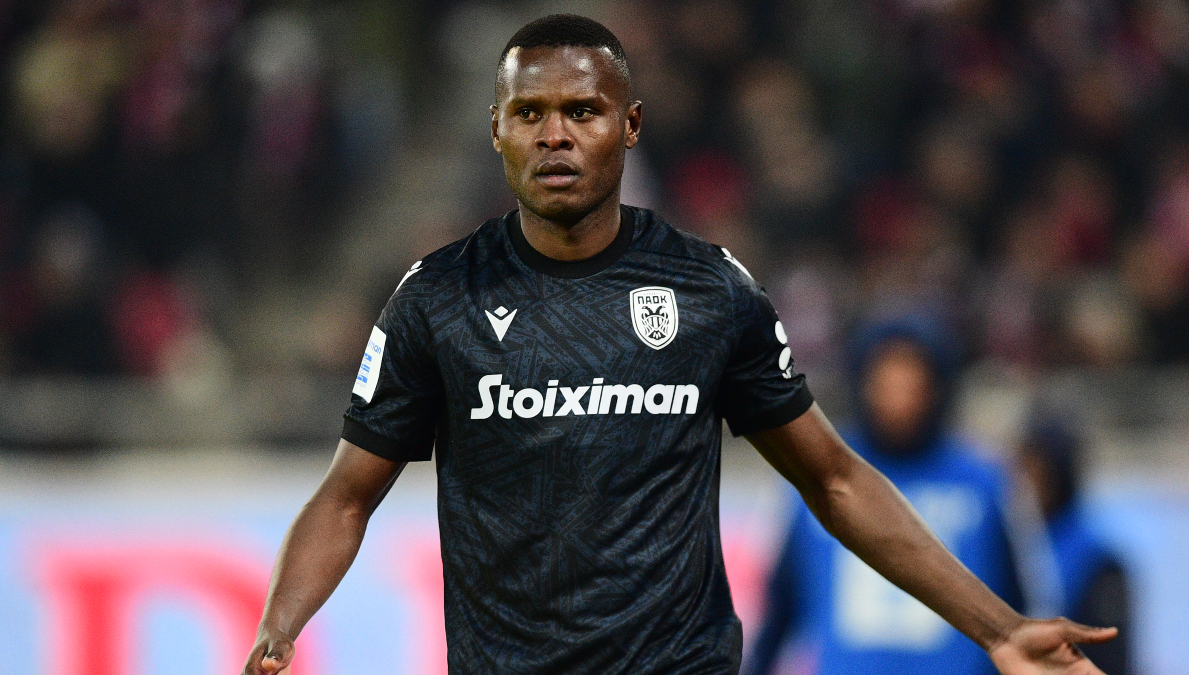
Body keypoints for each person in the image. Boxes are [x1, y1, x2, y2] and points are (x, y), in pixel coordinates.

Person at [242, 14, 1115, 675]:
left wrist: (1000, 629)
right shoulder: (438, 297)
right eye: (530, 112)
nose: (555, 134)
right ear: (496, 128)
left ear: (629, 125)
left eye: (582, 110)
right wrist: (278, 629)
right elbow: (346, 497)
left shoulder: (709, 291)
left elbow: (835, 478)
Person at [744, 314, 1032, 675]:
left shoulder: (985, 481)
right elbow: (780, 605)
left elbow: (1022, 603)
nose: (899, 400)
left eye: (912, 384)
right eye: (886, 383)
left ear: (937, 387)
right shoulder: (814, 470)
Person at [1018, 418, 1134, 675]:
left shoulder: (1096, 557)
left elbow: (1112, 656)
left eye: (1035, 471)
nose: (1024, 484)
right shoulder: (1013, 539)